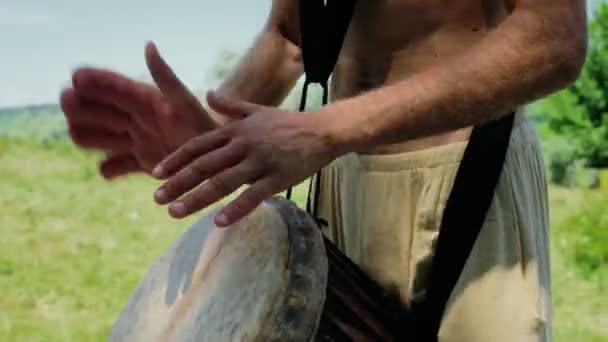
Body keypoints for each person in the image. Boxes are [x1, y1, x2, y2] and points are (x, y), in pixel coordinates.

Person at [60, 0, 587, 341]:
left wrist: (325, 129)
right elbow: (289, 37)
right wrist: (214, 134)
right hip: (336, 168)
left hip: (465, 173)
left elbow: (553, 38)